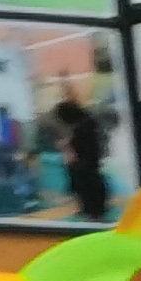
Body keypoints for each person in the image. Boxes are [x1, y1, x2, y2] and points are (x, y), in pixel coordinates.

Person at [47, 88, 103, 222]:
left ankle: (92, 211)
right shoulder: (86, 123)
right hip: (88, 165)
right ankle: (91, 210)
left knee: (85, 186)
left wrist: (69, 147)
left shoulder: (82, 128)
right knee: (87, 185)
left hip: (85, 166)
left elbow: (83, 147)